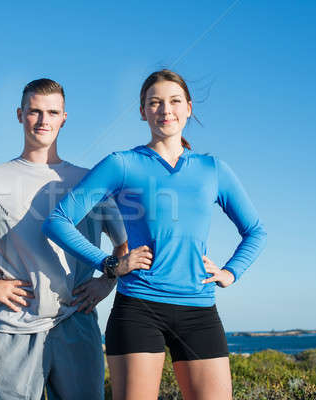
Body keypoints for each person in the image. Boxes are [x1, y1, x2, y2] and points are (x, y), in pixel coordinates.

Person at [42, 69, 267, 400]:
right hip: (138, 309)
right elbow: (57, 220)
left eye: (174, 101)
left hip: (200, 311)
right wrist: (110, 263)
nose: (166, 110)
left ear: (189, 107)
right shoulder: (122, 164)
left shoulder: (212, 169)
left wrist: (231, 272)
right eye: (155, 102)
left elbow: (255, 231)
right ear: (143, 110)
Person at [0, 78, 145, 399]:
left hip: (78, 322)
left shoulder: (89, 181)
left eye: (52, 112)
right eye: (35, 112)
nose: (43, 121)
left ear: (64, 118)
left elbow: (124, 244)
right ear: (20, 114)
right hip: (15, 326)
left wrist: (106, 281)